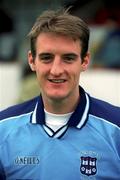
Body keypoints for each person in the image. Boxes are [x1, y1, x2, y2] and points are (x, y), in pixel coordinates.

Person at [0, 8, 120, 180]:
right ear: (32, 61)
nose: (56, 70)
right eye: (46, 57)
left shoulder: (116, 128)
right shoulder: (3, 129)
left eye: (68, 58)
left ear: (85, 61)